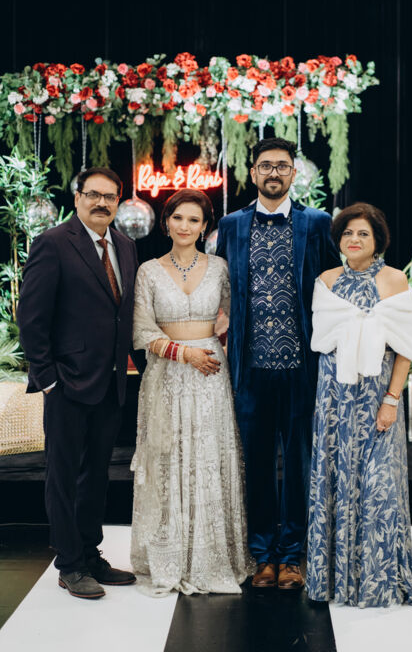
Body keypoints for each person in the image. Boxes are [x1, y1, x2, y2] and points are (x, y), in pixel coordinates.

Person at [216, 137, 340, 590]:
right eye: (265, 165)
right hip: (249, 370)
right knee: (257, 466)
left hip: (303, 369)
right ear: (252, 173)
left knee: (301, 466)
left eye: (282, 166)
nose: (273, 173)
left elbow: (336, 284)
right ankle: (262, 555)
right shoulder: (231, 225)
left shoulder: (318, 223)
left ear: (293, 173)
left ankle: (292, 556)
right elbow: (219, 287)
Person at [307, 202, 412, 607]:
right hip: (334, 398)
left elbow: (405, 348)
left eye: (363, 233)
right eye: (348, 233)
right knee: (335, 481)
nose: (354, 239)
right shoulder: (326, 281)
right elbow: (322, 341)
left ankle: (378, 580)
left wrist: (391, 400)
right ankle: (335, 580)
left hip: (377, 398)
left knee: (379, 487)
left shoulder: (395, 280)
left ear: (377, 239)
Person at [17, 167, 139, 599]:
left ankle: (90, 553)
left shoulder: (125, 245)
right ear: (78, 197)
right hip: (67, 383)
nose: (101, 203)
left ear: (118, 201)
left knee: (97, 476)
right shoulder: (53, 243)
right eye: (93, 194)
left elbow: (121, 314)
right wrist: (47, 379)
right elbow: (31, 317)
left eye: (110, 196)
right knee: (64, 475)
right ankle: (69, 564)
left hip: (111, 382)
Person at [130, 188, 252, 596]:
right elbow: (142, 330)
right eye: (178, 218)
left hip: (210, 374)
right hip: (166, 375)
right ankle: (169, 557)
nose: (185, 226)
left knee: (208, 457)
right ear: (166, 223)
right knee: (167, 459)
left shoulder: (219, 268)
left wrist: (219, 343)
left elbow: (238, 315)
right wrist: (185, 353)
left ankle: (212, 557)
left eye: (194, 220)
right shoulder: (148, 271)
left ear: (205, 227)